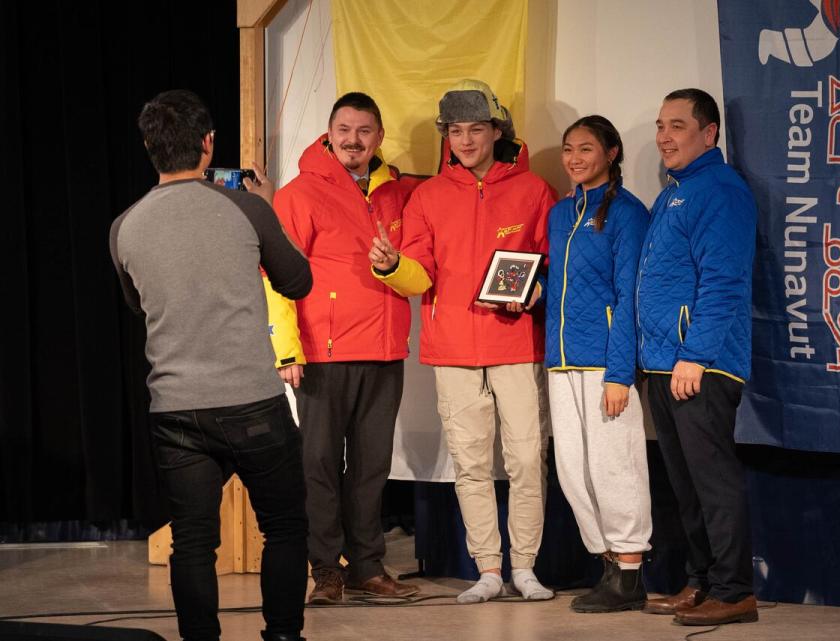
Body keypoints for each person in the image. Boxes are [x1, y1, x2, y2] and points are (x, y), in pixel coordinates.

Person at [109, 89, 312, 641]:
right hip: (251, 402)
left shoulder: (124, 226)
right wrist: (265, 214)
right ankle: (283, 636)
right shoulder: (245, 207)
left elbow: (136, 304)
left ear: (150, 146)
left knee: (193, 541)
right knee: (286, 527)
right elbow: (299, 281)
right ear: (208, 144)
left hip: (175, 408)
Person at [368, 79, 556, 604]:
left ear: (498, 131)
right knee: (470, 464)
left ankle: (526, 568)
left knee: (525, 461)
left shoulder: (534, 190)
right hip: (452, 349)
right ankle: (489, 570)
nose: (466, 140)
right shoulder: (428, 196)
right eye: (456, 130)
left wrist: (537, 290)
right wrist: (391, 267)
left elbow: (551, 263)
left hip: (517, 345)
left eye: (476, 129)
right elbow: (419, 275)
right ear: (445, 135)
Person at [267, 92, 420, 602]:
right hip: (322, 355)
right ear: (329, 133)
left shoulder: (398, 193)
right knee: (320, 466)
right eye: (344, 130)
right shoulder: (299, 194)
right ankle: (326, 571)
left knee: (372, 467)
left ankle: (368, 568)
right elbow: (275, 279)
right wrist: (287, 351)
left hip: (383, 352)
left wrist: (393, 266)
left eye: (364, 131)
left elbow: (416, 272)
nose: (354, 140)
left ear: (378, 136)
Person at [637, 88, 758, 626]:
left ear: (709, 133)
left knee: (712, 482)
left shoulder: (720, 190)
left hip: (699, 365)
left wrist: (696, 355)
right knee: (685, 485)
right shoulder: (674, 192)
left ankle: (734, 591)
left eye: (678, 126)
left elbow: (724, 281)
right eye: (661, 125)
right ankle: (701, 580)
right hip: (664, 363)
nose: (665, 136)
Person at [543, 115, 652, 613]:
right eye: (568, 149)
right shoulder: (561, 214)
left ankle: (630, 573)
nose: (574, 158)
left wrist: (619, 374)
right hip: (562, 360)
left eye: (585, 148)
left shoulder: (628, 213)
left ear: (611, 153)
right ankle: (608, 564)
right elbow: (565, 286)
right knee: (573, 469)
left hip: (605, 362)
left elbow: (631, 296)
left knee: (615, 467)